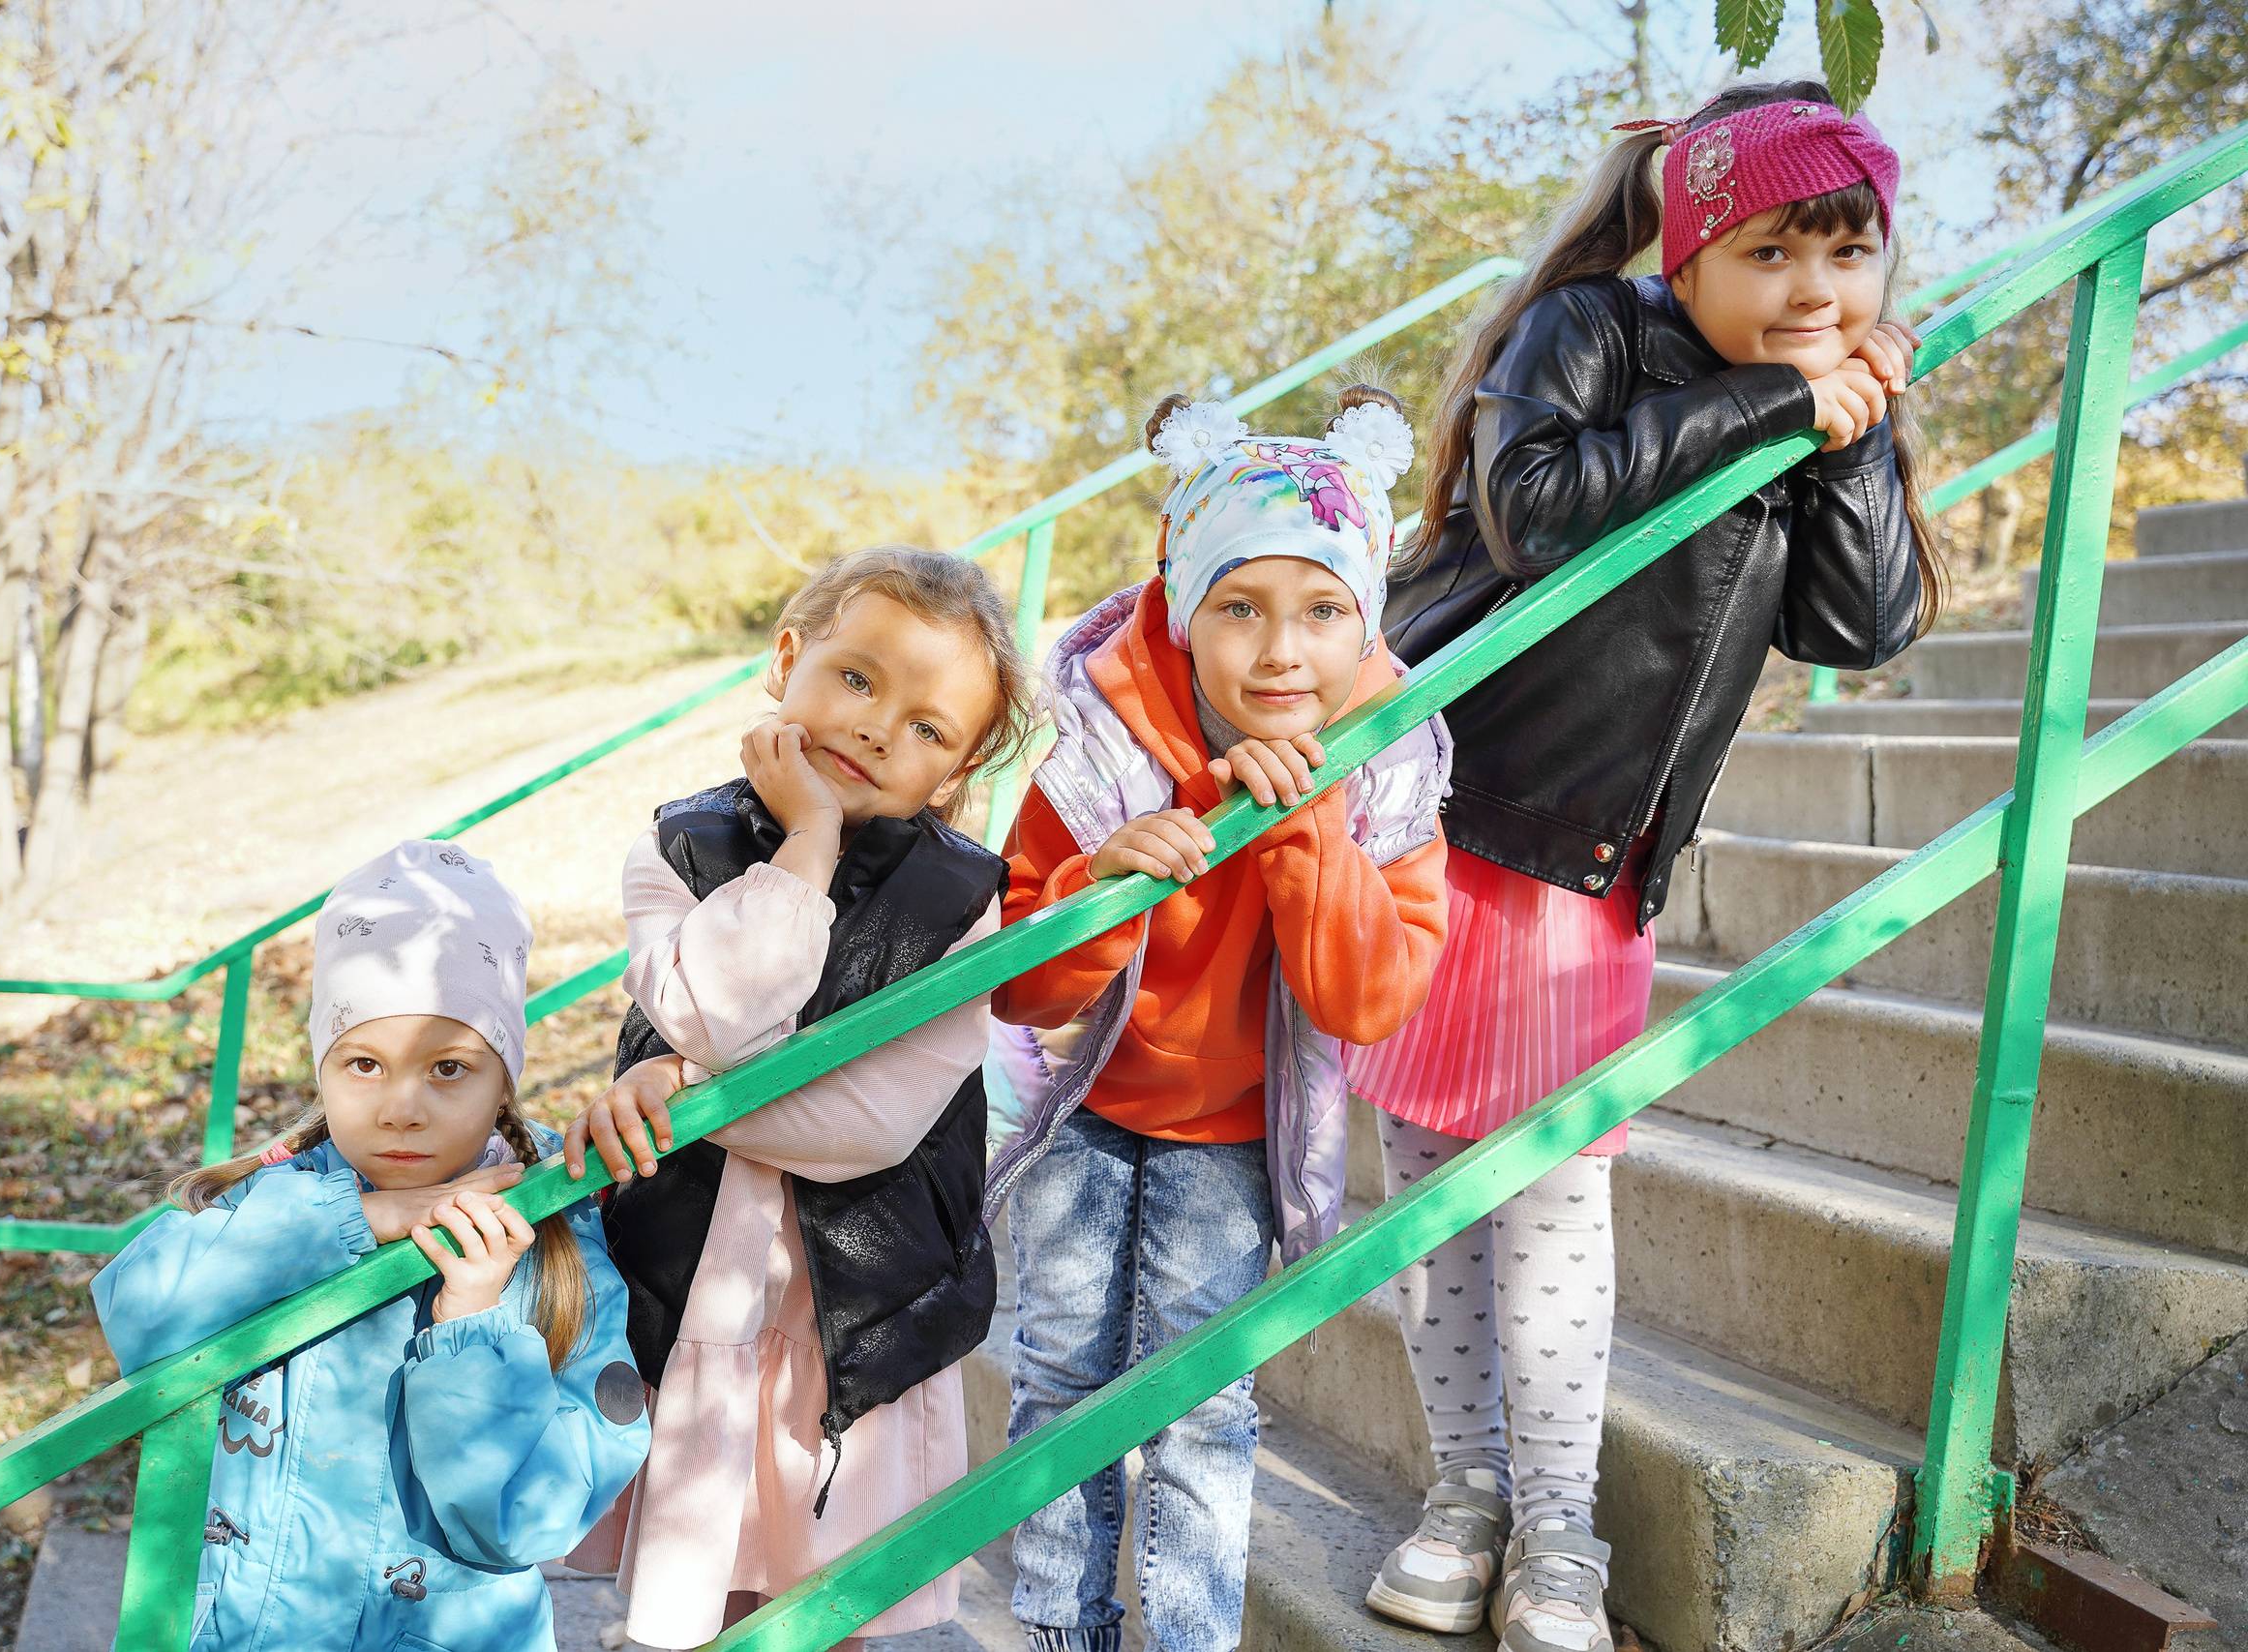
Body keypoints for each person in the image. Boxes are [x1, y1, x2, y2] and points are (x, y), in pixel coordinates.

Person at [1353, 82, 1936, 1652]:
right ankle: (1464, 1491)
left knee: (1548, 1210)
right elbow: (1533, 509)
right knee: (1439, 1209)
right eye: (1773, 250)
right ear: (1689, 251)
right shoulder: (1593, 331)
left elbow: (1860, 625)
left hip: (1588, 880)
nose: (1816, 290)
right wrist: (1772, 407)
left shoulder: (1811, 397)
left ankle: (1560, 1536)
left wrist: (1856, 445)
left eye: (1851, 250)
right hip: (1447, 834)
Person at [985, 385, 1454, 1652]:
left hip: (1235, 1141)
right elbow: (1023, 985)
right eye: (1238, 605)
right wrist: (1104, 886)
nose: (1280, 648)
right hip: (1080, 1119)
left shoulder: (1389, 759)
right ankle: (1055, 1635)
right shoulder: (1099, 746)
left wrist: (1305, 826)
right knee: (1061, 1397)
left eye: (1321, 609)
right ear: (1187, 613)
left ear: (1364, 621)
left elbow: (1370, 995)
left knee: (1200, 1414)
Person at [561, 546, 1034, 1650]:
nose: (878, 730)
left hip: (857, 1317)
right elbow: (721, 1014)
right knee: (691, 1602)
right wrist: (808, 845)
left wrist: (678, 1090)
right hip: (701, 1300)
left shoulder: (961, 902)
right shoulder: (680, 848)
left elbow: (869, 1125)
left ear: (957, 772)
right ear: (788, 662)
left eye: (929, 729)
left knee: (829, 1607)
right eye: (859, 680)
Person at [92, 840, 648, 1652]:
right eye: (364, 1063)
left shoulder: (559, 1240)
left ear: (506, 1078)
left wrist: (472, 1322)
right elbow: (138, 1319)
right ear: (324, 1070)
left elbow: (531, 1522)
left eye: (449, 1067)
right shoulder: (273, 1191)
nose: (401, 1106)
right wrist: (357, 1219)